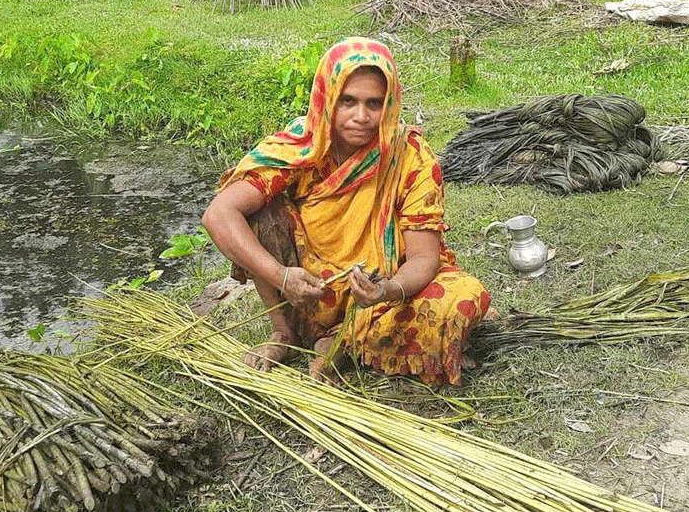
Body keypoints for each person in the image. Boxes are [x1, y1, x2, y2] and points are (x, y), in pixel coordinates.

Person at [202, 37, 492, 386]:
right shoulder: (300, 146)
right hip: (307, 291)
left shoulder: (410, 155)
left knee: (462, 297)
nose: (361, 117)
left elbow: (424, 259)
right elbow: (219, 214)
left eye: (375, 103)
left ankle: (346, 338)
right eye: (348, 101)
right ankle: (285, 332)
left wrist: (386, 291)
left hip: (377, 298)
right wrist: (281, 276)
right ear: (327, 99)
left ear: (390, 104)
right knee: (257, 211)